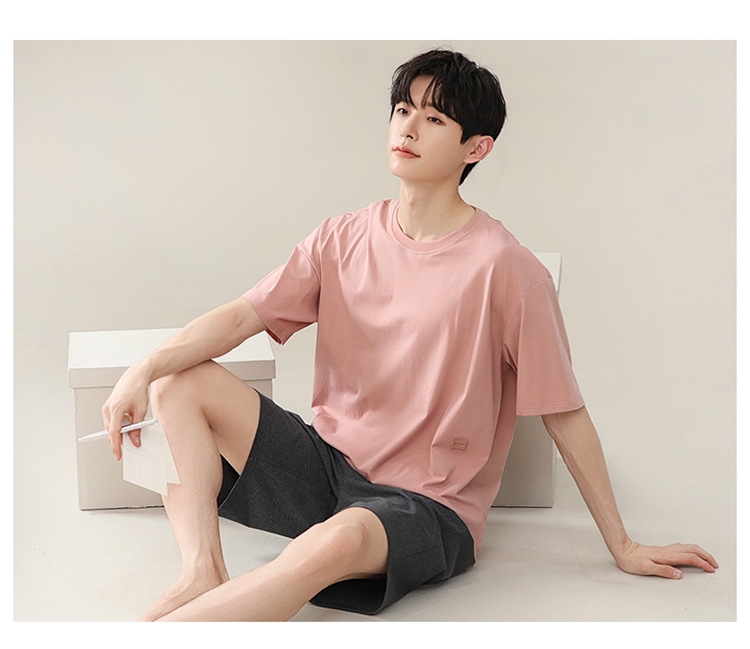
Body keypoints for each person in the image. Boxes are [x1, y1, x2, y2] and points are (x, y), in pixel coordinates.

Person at [101, 48, 718, 622]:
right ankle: (202, 571)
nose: (409, 128)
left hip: (427, 508)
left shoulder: (508, 270)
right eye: (402, 110)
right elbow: (243, 316)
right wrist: (143, 368)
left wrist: (623, 544)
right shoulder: (341, 237)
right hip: (329, 468)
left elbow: (563, 411)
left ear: (477, 148)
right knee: (177, 381)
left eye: (434, 118)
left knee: (335, 541)